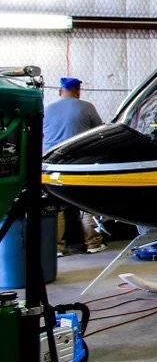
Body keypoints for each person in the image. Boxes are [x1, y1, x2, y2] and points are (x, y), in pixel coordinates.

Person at [43, 77, 107, 255]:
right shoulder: (86, 107)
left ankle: (56, 248)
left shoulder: (47, 109)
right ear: (78, 92)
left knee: (55, 206)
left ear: (60, 91)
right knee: (87, 205)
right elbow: (100, 132)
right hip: (80, 164)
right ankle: (93, 244)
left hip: (52, 164)